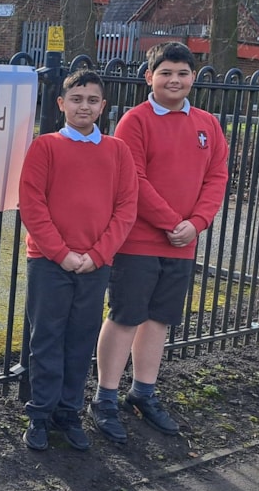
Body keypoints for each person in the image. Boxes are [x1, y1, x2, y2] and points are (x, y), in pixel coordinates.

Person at [91, 41, 229, 444]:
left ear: (193, 78)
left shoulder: (208, 124)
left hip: (183, 242)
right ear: (149, 77)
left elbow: (217, 177)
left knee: (159, 320)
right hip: (138, 241)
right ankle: (104, 399)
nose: (175, 79)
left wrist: (197, 223)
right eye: (166, 72)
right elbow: (133, 178)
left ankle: (143, 393)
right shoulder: (135, 121)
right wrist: (172, 221)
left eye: (182, 73)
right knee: (125, 316)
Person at [18, 69, 138, 451]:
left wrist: (98, 254)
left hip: (95, 265)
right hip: (49, 262)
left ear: (103, 106)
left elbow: (126, 207)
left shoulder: (117, 151)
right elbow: (33, 205)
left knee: (80, 338)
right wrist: (61, 253)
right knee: (47, 338)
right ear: (61, 104)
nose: (83, 106)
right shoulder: (45, 147)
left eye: (91, 100)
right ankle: (40, 413)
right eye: (76, 99)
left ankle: (68, 413)